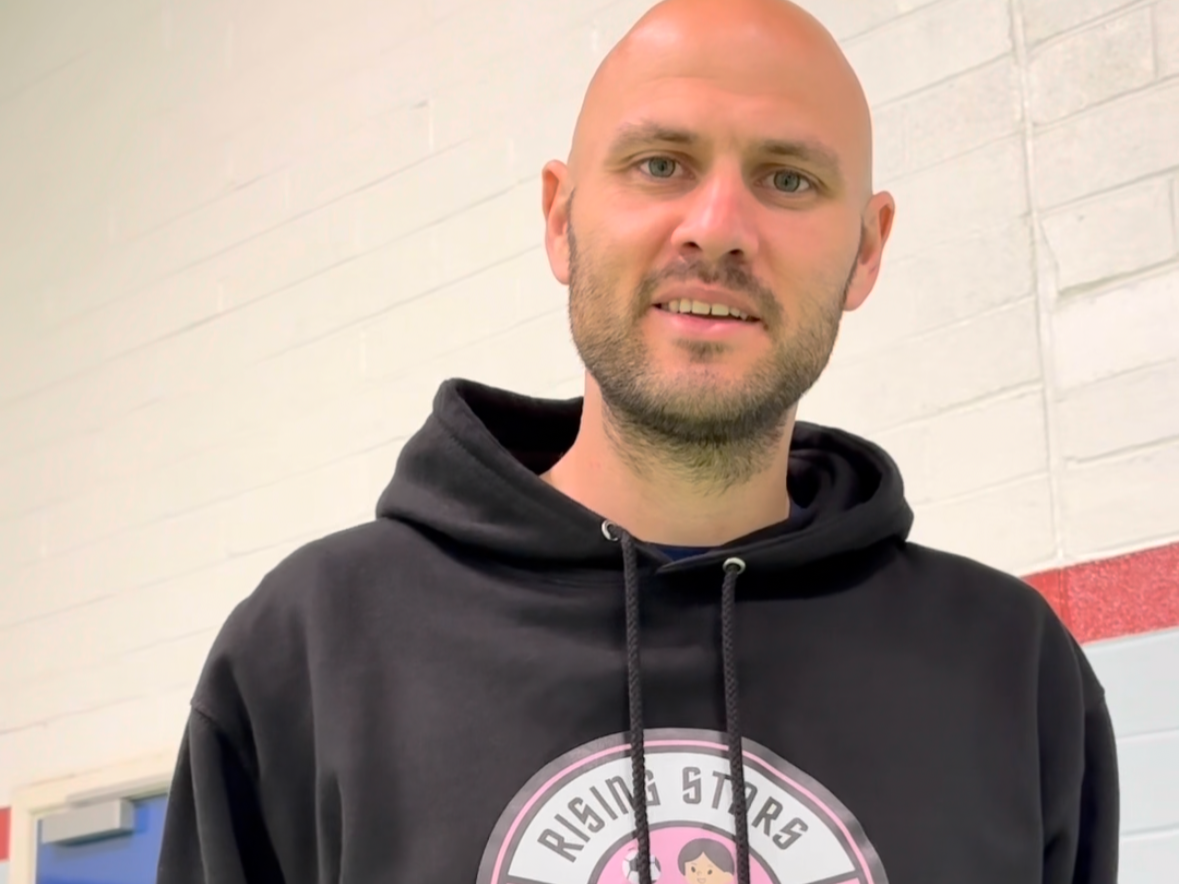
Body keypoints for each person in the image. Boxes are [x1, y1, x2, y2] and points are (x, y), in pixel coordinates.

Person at [156, 0, 1119, 882]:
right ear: (560, 220)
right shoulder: (314, 652)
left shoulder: (1009, 674)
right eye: (660, 164)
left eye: (788, 178)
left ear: (866, 250)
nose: (717, 227)